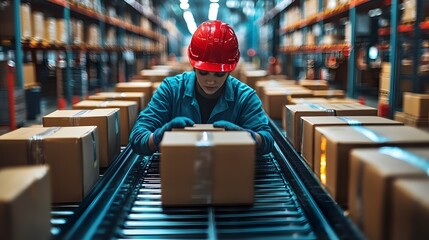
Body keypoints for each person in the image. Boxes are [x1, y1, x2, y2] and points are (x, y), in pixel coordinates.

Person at [129, 20, 274, 156]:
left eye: (219, 74)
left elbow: (267, 140)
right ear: (193, 66)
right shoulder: (171, 90)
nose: (210, 81)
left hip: (227, 171)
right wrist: (158, 136)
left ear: (230, 69)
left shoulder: (245, 97)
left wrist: (248, 137)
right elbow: (137, 137)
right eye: (203, 72)